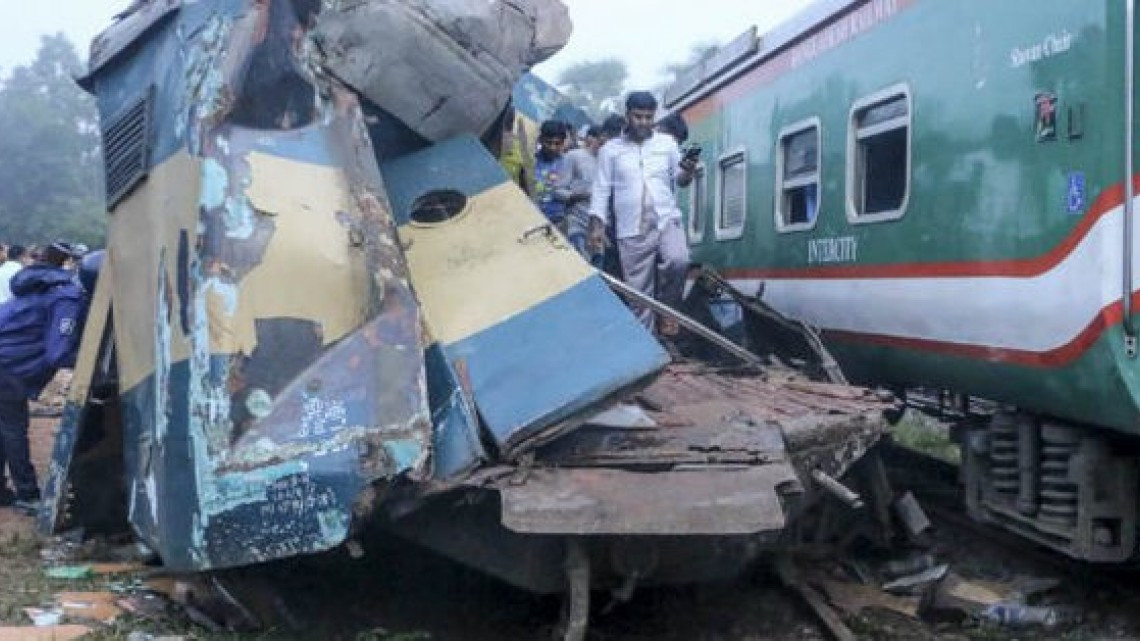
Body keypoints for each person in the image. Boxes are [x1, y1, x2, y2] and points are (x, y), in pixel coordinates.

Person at [588, 91, 696, 334]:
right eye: (638, 117)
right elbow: (601, 190)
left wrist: (688, 171)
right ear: (628, 115)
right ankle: (650, 351)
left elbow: (680, 180)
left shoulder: (666, 145)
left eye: (649, 117)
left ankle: (669, 314)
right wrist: (596, 226)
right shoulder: (611, 151)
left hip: (666, 219)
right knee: (639, 297)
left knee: (679, 260)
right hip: (631, 228)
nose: (644, 122)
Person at [0, 241, 87, 515]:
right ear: (69, 264)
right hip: (8, 365)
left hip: (5, 358)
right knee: (14, 429)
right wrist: (87, 363)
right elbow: (57, 353)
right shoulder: (67, 296)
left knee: (5, 426)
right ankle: (28, 494)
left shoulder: (36, 285)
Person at [561, 124, 604, 263]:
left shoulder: (610, 165)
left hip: (599, 232)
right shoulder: (574, 156)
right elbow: (557, 189)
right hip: (575, 222)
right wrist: (577, 196)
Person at [533, 119, 572, 233]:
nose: (552, 147)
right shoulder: (530, 159)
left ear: (563, 142)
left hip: (553, 224)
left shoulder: (568, 164)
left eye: (557, 143)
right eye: (548, 142)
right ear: (541, 139)